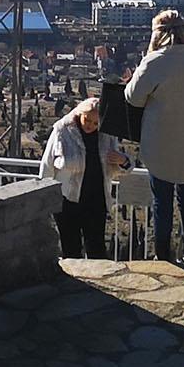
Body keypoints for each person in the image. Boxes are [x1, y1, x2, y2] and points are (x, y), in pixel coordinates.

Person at [123, 10, 184, 261]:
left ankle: (163, 255)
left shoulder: (154, 62)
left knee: (161, 203)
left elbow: (132, 97)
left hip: (160, 143)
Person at [38, 94, 125, 258]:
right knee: (70, 249)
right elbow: (47, 164)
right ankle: (72, 284)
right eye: (88, 120)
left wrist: (123, 161)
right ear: (79, 114)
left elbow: (119, 166)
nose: (91, 126)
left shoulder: (107, 134)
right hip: (67, 201)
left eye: (96, 123)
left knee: (97, 249)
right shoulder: (62, 130)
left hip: (96, 201)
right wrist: (45, 197)